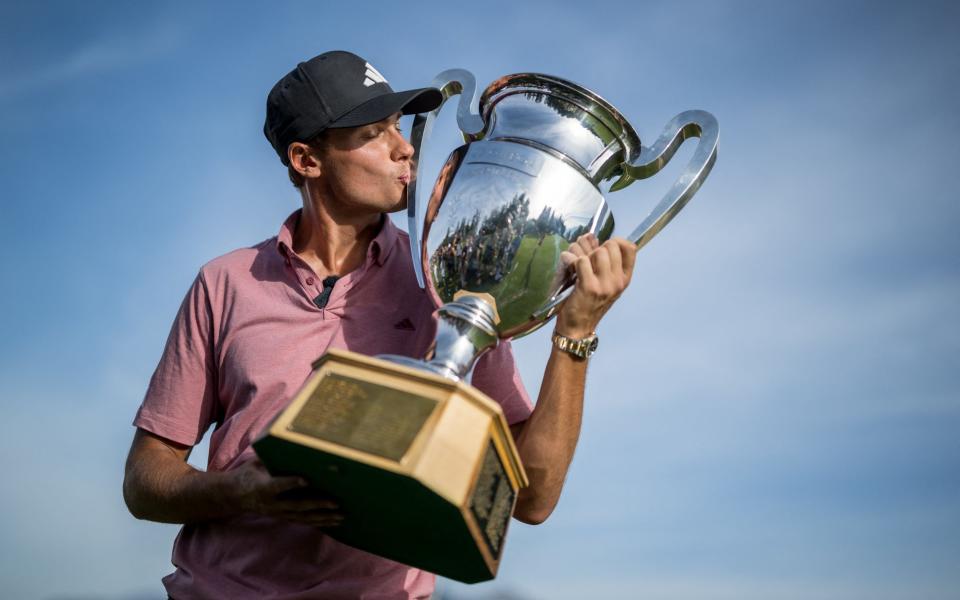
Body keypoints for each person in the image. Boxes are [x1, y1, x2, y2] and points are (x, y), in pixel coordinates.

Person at [123, 50, 637, 599]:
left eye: (399, 127)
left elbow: (532, 499)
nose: (405, 147)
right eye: (373, 133)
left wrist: (575, 334)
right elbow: (144, 480)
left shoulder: (447, 278)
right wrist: (239, 491)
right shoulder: (224, 283)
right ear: (307, 160)